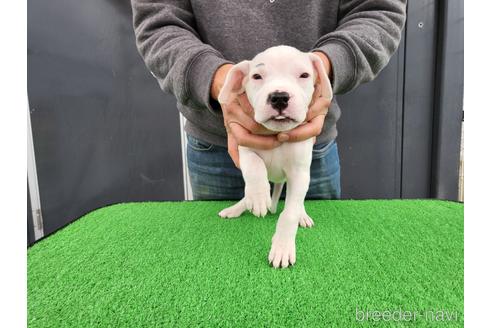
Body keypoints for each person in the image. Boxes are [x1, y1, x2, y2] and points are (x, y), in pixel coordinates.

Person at [131, 0, 406, 200]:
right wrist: (220, 81)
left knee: (316, 255)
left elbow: (377, 10)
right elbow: (158, 20)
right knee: (218, 257)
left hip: (309, 140)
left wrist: (321, 69)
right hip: (215, 144)